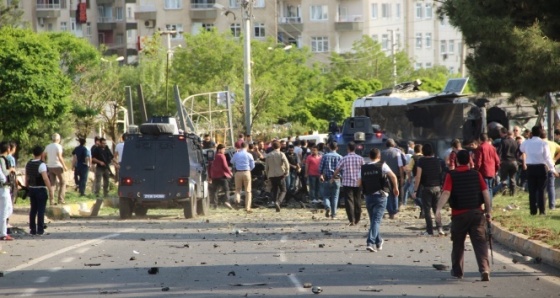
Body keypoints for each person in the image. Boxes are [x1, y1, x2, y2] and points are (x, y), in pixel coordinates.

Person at [435, 150, 492, 281]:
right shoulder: (476, 174)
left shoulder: (451, 175)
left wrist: (438, 209)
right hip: (477, 214)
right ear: (470, 160)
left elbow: (446, 193)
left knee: (458, 244)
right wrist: (488, 212)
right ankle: (484, 269)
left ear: (456, 161)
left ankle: (458, 271)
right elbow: (485, 194)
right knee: (480, 243)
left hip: (459, 215)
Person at [359, 148, 399, 252]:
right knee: (375, 221)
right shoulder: (382, 165)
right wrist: (395, 188)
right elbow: (393, 176)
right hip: (381, 196)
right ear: (379, 156)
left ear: (370, 156)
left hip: (368, 196)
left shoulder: (363, 168)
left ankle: (378, 241)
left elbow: (358, 183)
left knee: (373, 221)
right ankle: (371, 242)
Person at [520, 125, 559, 215]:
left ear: (531, 133)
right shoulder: (543, 143)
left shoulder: (526, 142)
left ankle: (533, 210)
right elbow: (547, 158)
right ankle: (542, 211)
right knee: (541, 190)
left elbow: (521, 148)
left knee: (532, 190)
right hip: (541, 167)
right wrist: (553, 170)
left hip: (530, 168)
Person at [411, 143, 446, 236]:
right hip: (438, 187)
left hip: (426, 187)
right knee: (436, 209)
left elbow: (418, 176)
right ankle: (440, 228)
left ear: (423, 152)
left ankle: (429, 230)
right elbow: (442, 173)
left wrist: (415, 190)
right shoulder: (438, 160)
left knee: (427, 210)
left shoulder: (421, 161)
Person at [333, 142, 364, 226]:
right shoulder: (360, 158)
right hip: (358, 182)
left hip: (347, 183)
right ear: (355, 148)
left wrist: (333, 177)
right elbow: (364, 169)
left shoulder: (344, 158)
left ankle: (351, 219)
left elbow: (337, 169)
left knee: (349, 201)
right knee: (357, 200)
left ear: (348, 149)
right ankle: (357, 218)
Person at [26, 146, 54, 236]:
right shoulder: (41, 165)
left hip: (31, 188)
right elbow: (45, 178)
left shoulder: (28, 164)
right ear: (42, 154)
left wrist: (27, 187)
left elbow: (26, 177)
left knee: (33, 210)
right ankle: (40, 230)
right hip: (40, 189)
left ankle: (32, 230)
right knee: (41, 210)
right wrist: (50, 189)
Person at [381, 139, 406, 219]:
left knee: (387, 194)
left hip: (384, 176)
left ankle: (390, 211)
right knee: (395, 192)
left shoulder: (382, 153)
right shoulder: (398, 152)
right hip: (395, 175)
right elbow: (400, 166)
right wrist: (402, 177)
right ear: (394, 144)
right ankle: (394, 211)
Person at [319, 142, 342, 219]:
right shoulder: (340, 157)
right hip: (336, 179)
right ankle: (333, 214)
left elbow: (320, 168)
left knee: (326, 195)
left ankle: (327, 207)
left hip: (327, 179)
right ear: (337, 148)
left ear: (329, 147)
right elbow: (342, 170)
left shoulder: (325, 156)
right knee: (335, 197)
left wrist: (321, 175)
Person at [474, 133, 500, 200]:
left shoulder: (480, 148)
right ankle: (490, 206)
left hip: (483, 171)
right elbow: (497, 160)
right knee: (490, 188)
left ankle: (487, 206)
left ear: (480, 139)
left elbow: (478, 161)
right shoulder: (492, 147)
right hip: (491, 171)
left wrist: (476, 170)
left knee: (485, 189)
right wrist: (496, 170)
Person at [230, 142, 255, 212]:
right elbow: (253, 165)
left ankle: (237, 201)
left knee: (238, 189)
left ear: (241, 147)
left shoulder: (236, 154)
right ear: (247, 147)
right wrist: (249, 169)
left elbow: (231, 161)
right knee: (248, 191)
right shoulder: (249, 154)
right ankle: (247, 207)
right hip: (246, 172)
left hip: (238, 172)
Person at [265, 141, 289, 212]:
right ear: (280, 146)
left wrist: (267, 175)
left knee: (275, 189)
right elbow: (287, 164)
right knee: (283, 190)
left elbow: (266, 167)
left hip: (271, 175)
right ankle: (278, 202)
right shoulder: (281, 154)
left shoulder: (268, 155)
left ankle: (275, 202)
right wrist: (286, 172)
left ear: (272, 147)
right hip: (280, 174)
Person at [45, 133, 68, 205]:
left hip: (50, 166)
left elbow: (43, 155)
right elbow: (60, 157)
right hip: (57, 166)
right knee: (63, 182)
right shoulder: (58, 146)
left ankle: (51, 200)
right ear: (58, 139)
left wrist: (44, 162)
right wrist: (64, 166)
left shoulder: (48, 146)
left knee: (52, 184)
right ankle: (61, 199)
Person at [208, 144, 233, 209]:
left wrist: (210, 176)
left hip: (214, 176)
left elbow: (209, 166)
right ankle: (227, 201)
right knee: (226, 189)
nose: (224, 151)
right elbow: (225, 166)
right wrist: (230, 172)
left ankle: (214, 205)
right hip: (222, 176)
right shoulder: (222, 156)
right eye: (223, 149)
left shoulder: (213, 156)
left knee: (215, 191)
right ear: (219, 150)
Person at [496, 128, 518, 196]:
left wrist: (499, 160)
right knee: (512, 177)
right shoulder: (515, 142)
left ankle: (504, 191)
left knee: (504, 177)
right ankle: (513, 192)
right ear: (512, 134)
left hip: (505, 161)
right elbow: (517, 152)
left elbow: (499, 152)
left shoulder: (503, 141)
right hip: (514, 161)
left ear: (507, 134)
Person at [543, 131, 560, 209]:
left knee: (540, 186)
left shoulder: (539, 143)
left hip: (541, 165)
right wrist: (555, 159)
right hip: (551, 165)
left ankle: (541, 204)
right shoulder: (552, 143)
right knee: (551, 186)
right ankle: (552, 205)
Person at [0, 142, 13, 241]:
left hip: (5, 188)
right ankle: (3, 233)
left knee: (7, 209)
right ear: (8, 149)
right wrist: (11, 170)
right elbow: (3, 173)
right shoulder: (2, 159)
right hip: (3, 188)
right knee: (5, 211)